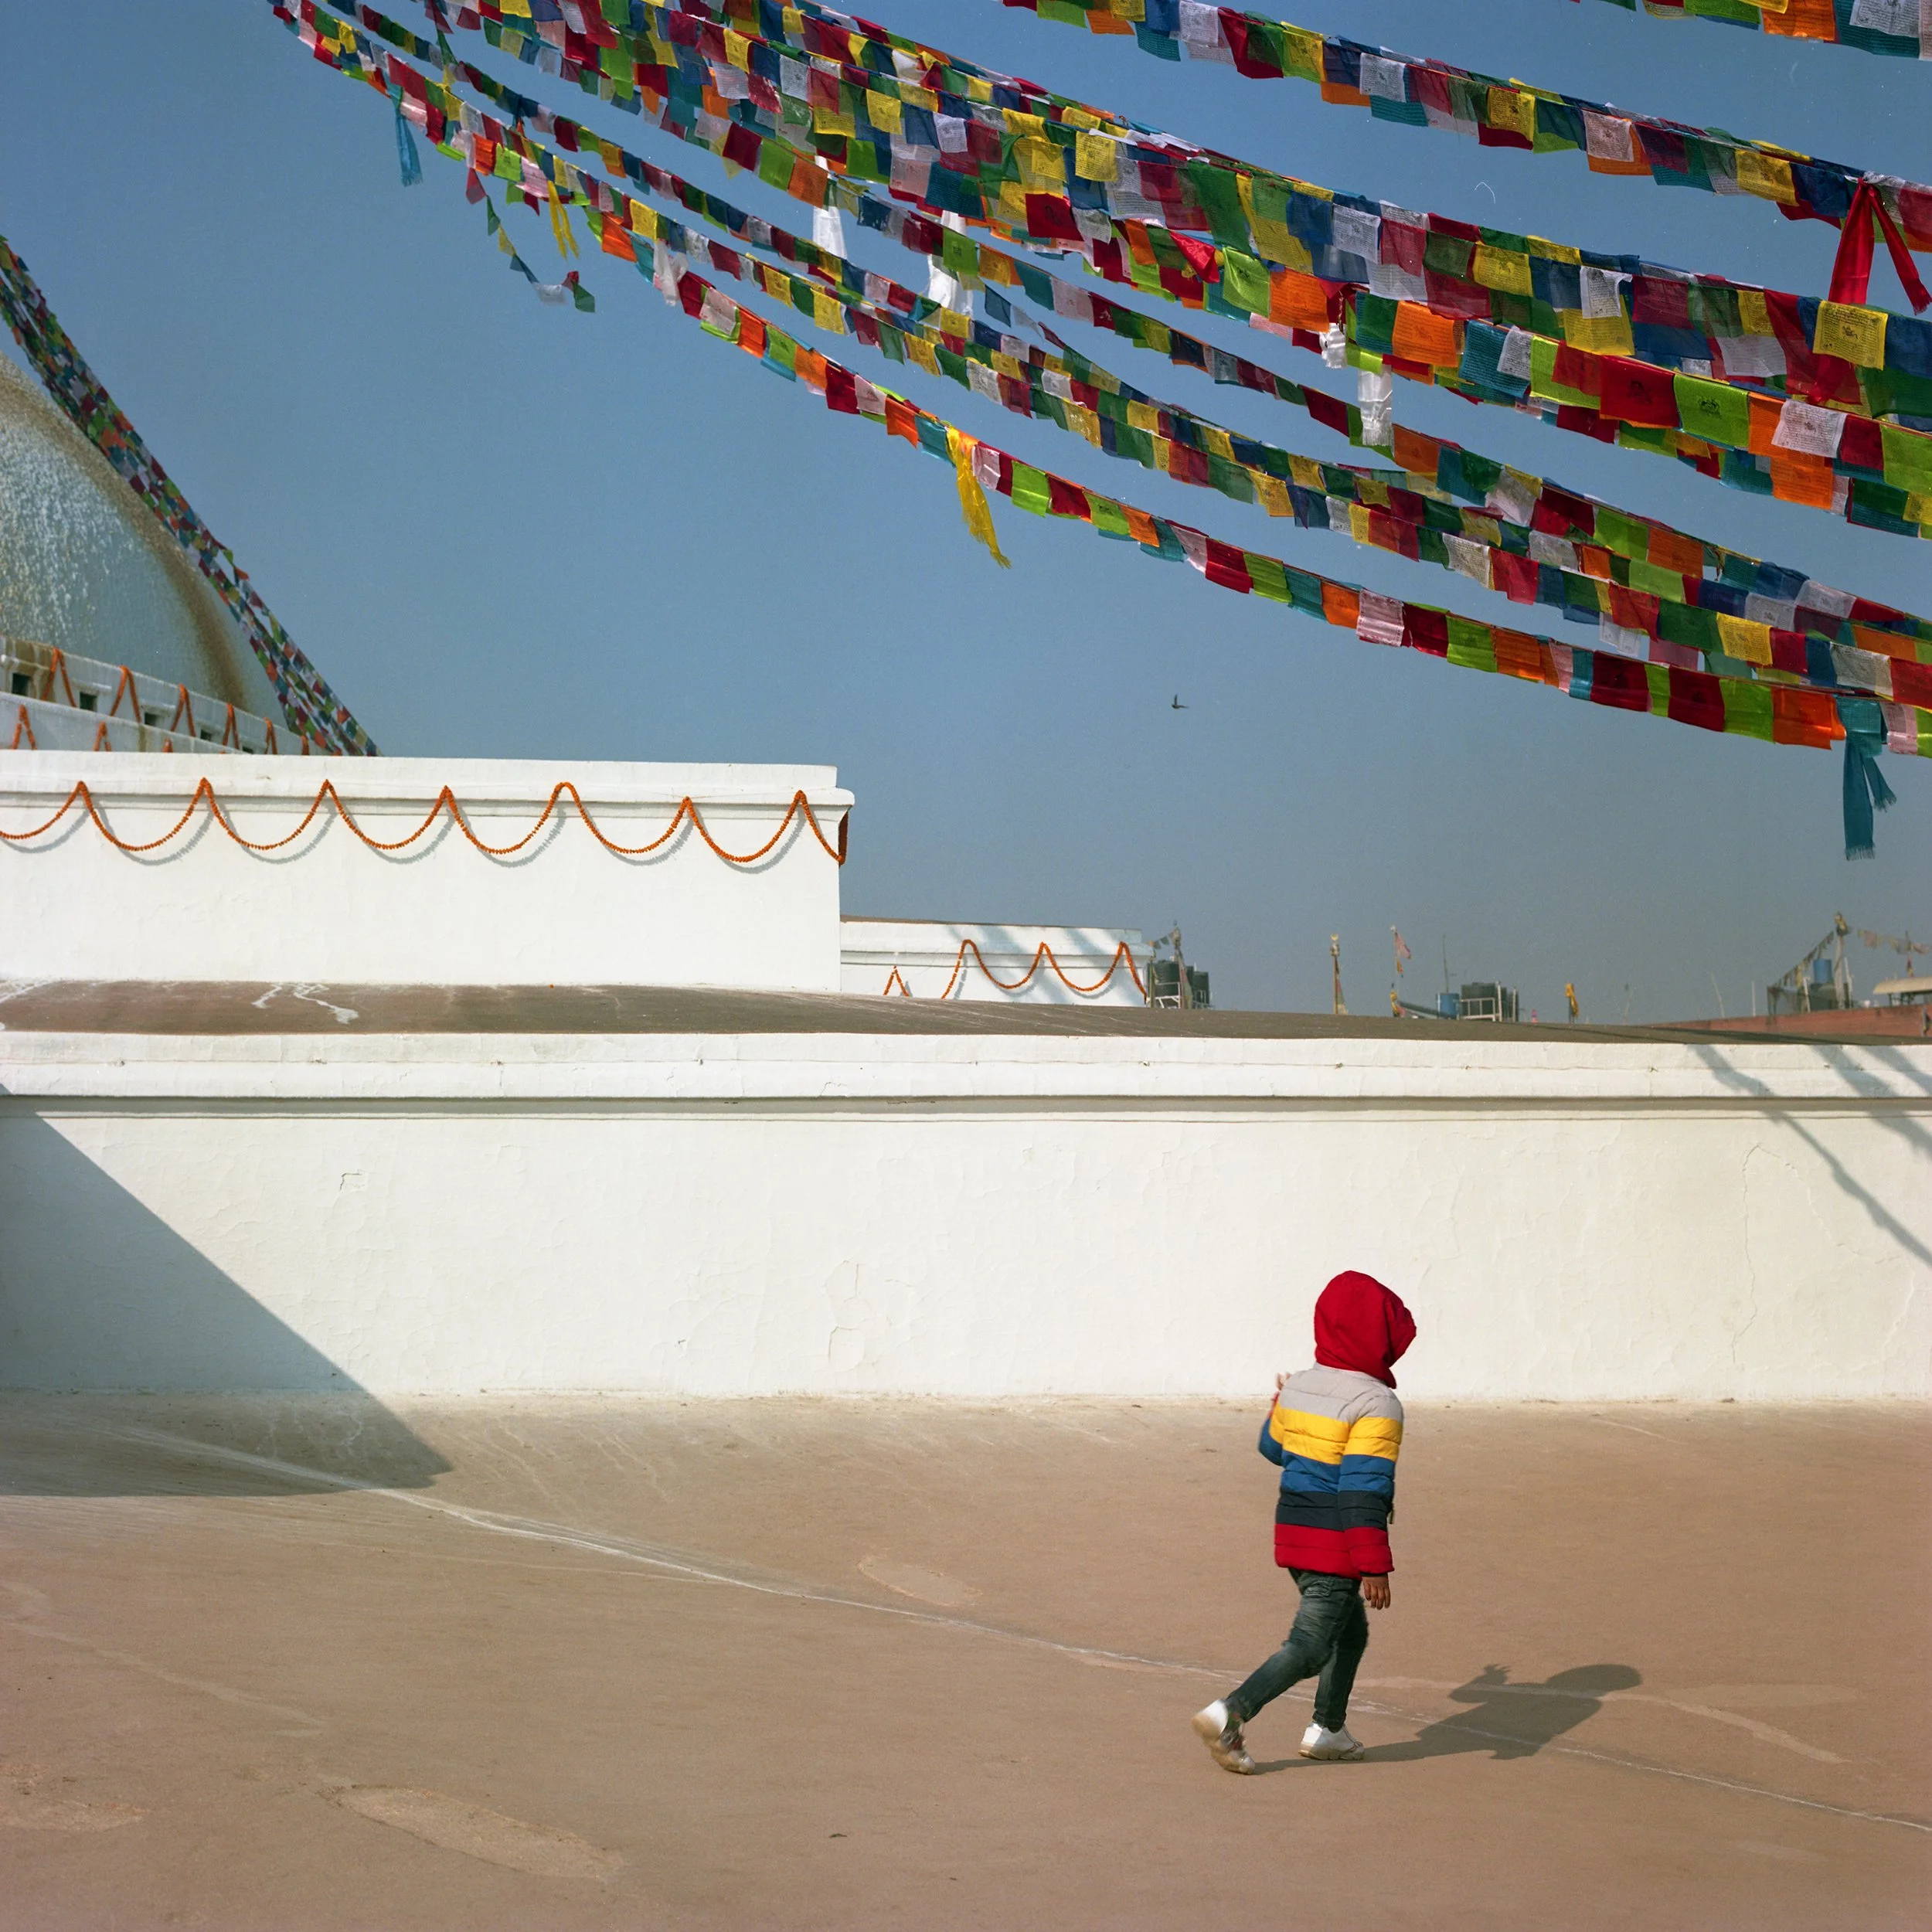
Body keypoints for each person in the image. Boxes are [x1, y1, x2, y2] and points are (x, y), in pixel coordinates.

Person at [1192, 1270, 1416, 1774]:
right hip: (1336, 1547)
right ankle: (1230, 1714)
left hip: (1294, 1535)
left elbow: (1273, 1448)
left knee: (1348, 1633)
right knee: (1311, 1647)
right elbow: (1364, 1490)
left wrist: (1281, 1400)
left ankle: (1328, 1730)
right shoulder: (1377, 1402)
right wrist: (1373, 1564)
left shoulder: (1300, 1386)